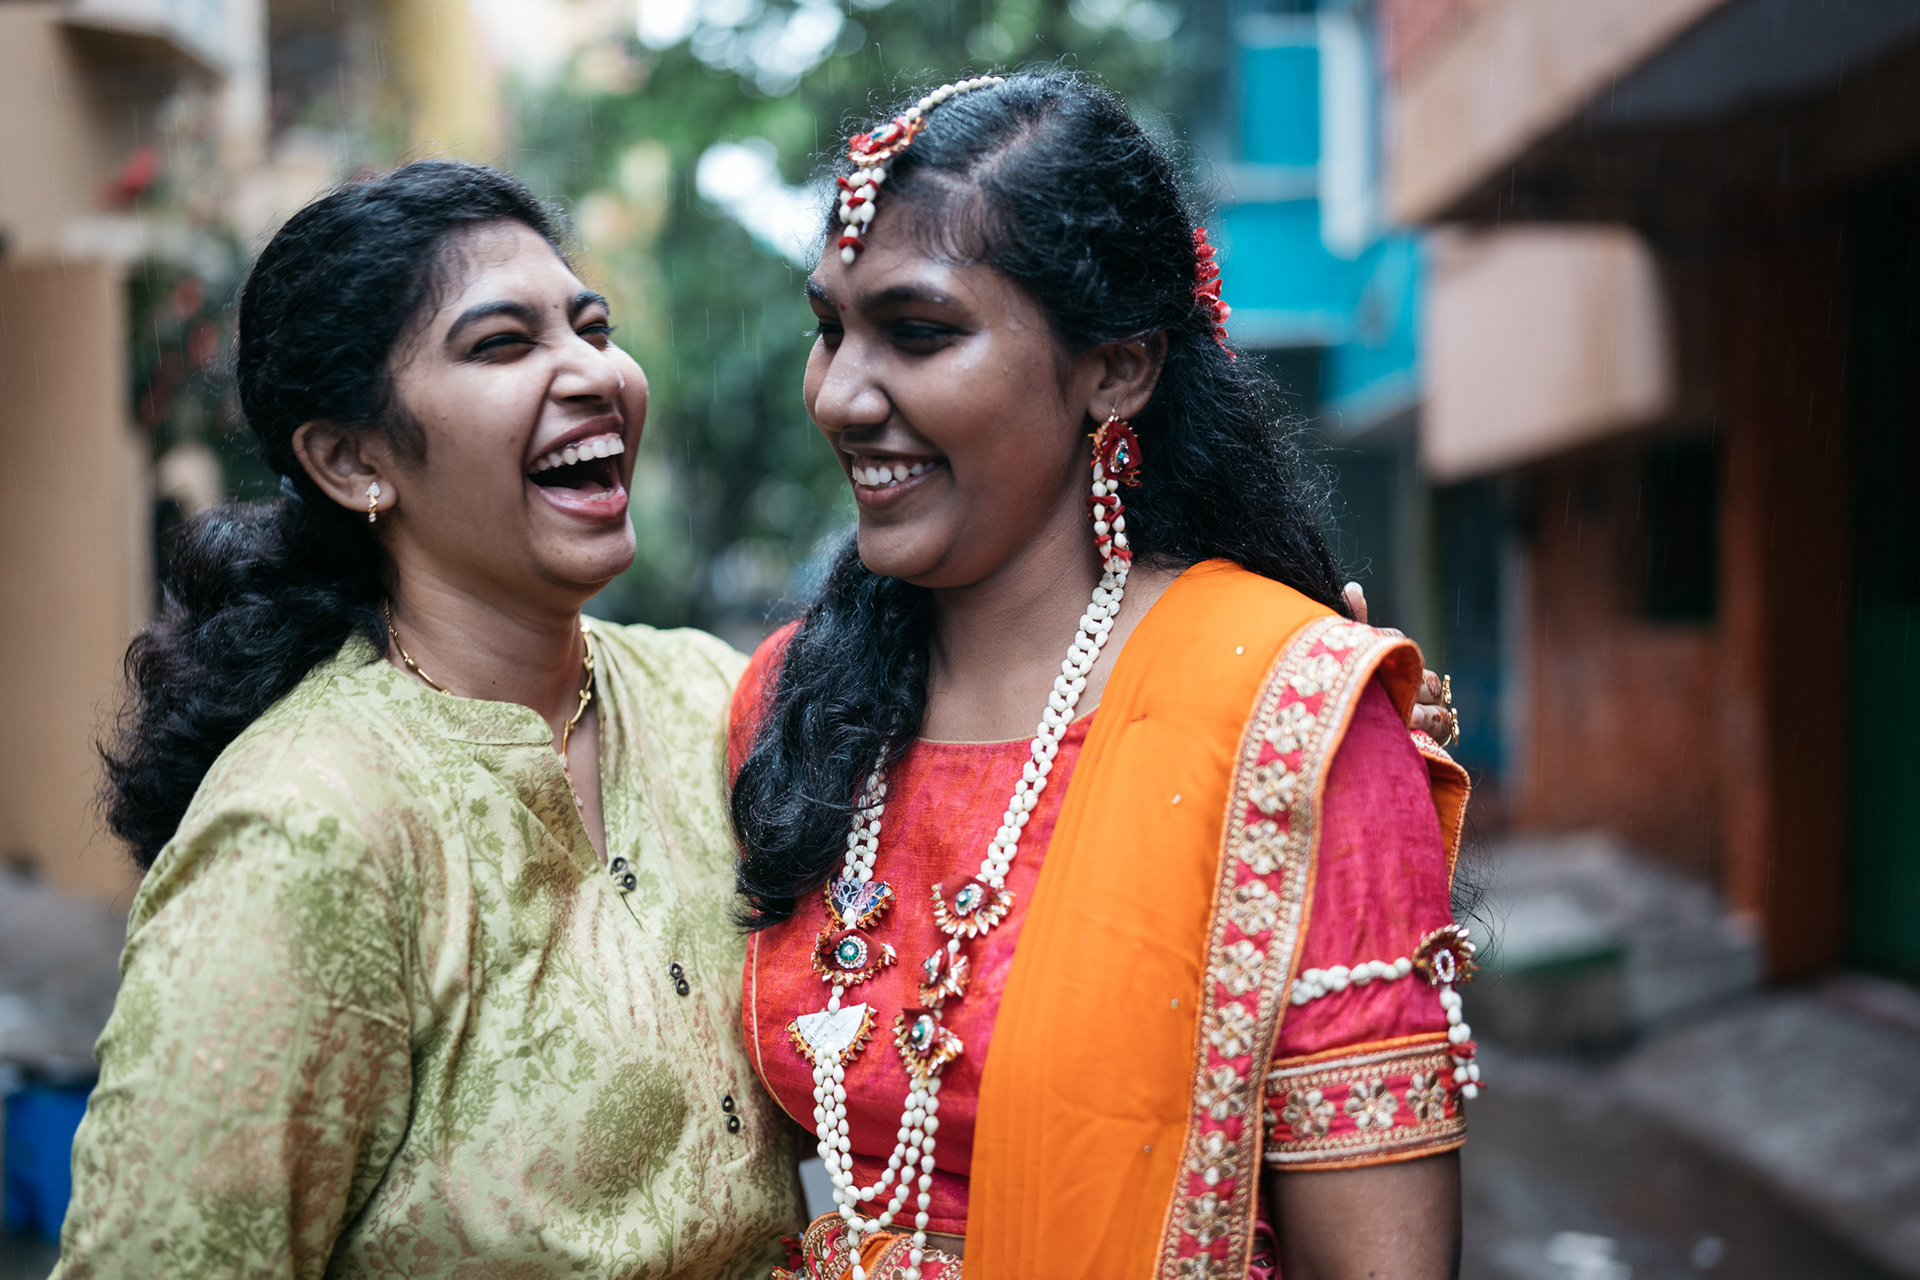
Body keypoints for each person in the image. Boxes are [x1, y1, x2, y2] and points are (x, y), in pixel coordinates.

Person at [729, 73, 1473, 1280]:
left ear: (1118, 371)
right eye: (832, 329)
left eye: (918, 332)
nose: (842, 395)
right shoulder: (797, 703)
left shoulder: (1289, 719)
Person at [62, 161, 801, 1278]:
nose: (593, 373)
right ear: (352, 459)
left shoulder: (709, 698)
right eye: (503, 344)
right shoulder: (307, 830)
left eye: (593, 327)